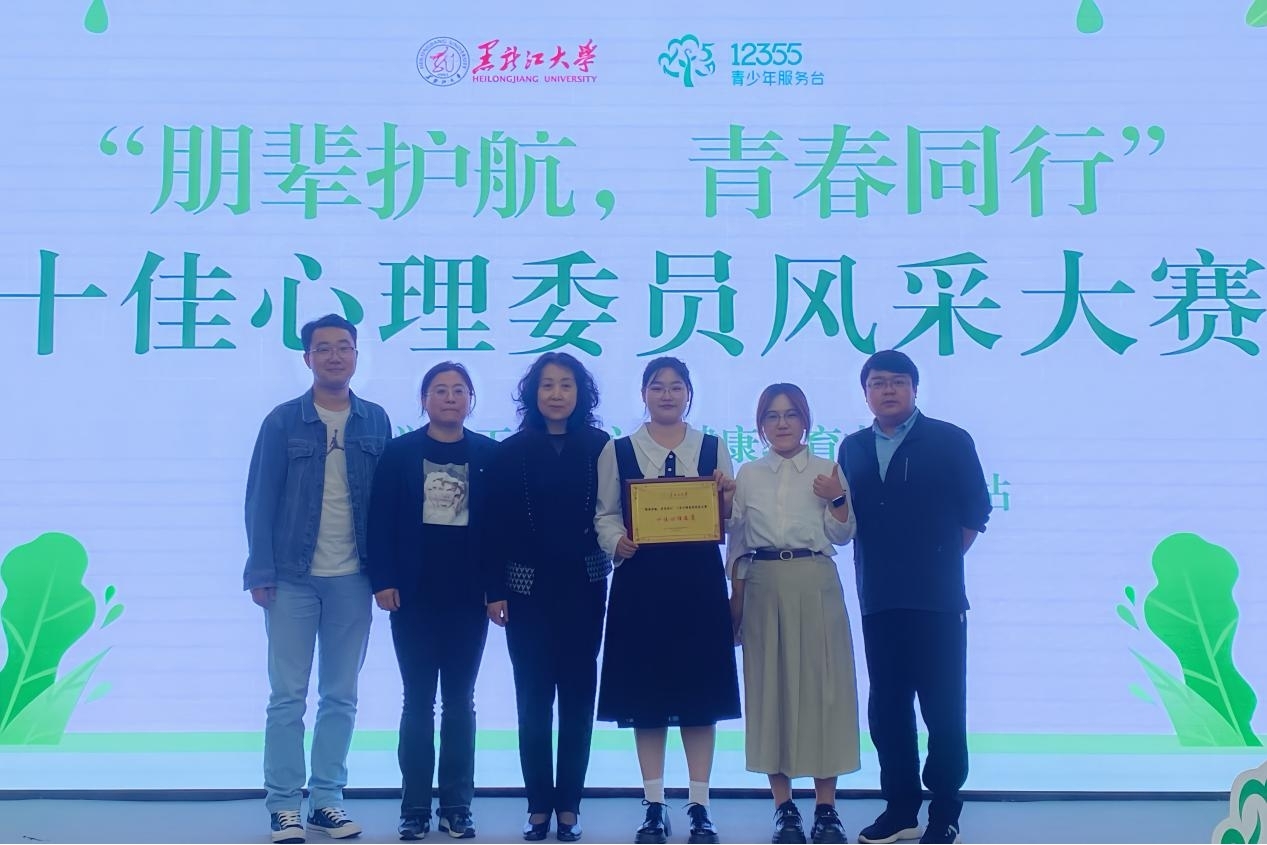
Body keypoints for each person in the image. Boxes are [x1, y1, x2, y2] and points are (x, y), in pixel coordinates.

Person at [243, 313, 392, 844]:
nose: (334, 356)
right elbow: (260, 498)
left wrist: (386, 574)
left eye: (343, 346)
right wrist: (260, 570)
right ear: (307, 359)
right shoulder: (283, 421)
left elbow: (388, 505)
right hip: (291, 577)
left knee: (341, 695)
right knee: (287, 696)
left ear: (356, 355)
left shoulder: (375, 420)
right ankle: (284, 805)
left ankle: (327, 800)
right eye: (323, 348)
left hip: (354, 577)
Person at [838, 351, 991, 845]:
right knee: (888, 710)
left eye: (898, 382)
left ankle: (944, 811)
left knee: (943, 708)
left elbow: (976, 511)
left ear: (914, 389)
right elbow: (846, 515)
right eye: (878, 383)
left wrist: (936, 559)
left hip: (938, 599)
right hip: (879, 597)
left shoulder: (950, 439)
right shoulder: (853, 448)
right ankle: (901, 809)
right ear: (865, 393)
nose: (888, 390)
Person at [593, 356, 740, 845]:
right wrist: (616, 541)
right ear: (644, 394)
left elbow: (731, 517)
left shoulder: (713, 448)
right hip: (641, 585)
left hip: (699, 586)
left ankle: (700, 805)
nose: (667, 395)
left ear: (689, 394)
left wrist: (726, 497)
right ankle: (654, 804)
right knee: (647, 699)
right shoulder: (619, 449)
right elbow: (604, 513)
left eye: (677, 387)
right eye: (658, 387)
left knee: (701, 699)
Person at [367, 362, 499, 841]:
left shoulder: (488, 455)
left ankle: (457, 806)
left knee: (461, 701)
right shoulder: (400, 452)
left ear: (470, 400)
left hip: (469, 598)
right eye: (439, 390)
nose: (449, 398)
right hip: (412, 596)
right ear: (424, 400)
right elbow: (379, 520)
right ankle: (415, 808)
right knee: (417, 701)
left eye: (458, 390)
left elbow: (499, 529)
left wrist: (496, 590)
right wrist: (382, 580)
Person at [486, 352, 612, 843]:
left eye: (566, 385)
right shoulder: (509, 451)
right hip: (527, 592)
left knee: (578, 701)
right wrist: (494, 590)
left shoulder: (602, 447)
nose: (556, 394)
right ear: (532, 394)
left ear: (581, 393)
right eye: (547, 385)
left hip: (585, 588)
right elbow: (493, 526)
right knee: (533, 702)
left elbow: (617, 512)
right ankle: (538, 806)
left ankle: (570, 808)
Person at [728, 383, 859, 845]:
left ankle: (826, 810)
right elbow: (735, 538)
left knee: (825, 692)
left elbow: (843, 535)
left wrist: (837, 498)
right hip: (763, 582)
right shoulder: (748, 473)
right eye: (772, 415)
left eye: (790, 415)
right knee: (770, 691)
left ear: (806, 421)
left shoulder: (828, 470)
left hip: (815, 579)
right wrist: (735, 598)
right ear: (760, 425)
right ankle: (783, 808)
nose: (781, 423)